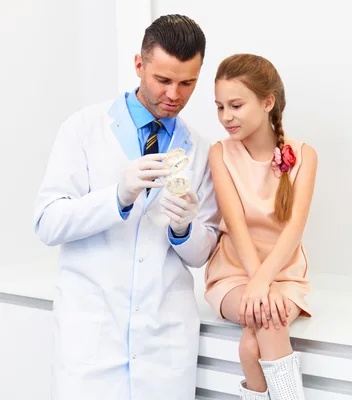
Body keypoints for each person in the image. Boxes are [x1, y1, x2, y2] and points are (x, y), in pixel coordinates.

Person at [33, 14, 220, 400]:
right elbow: (47, 223)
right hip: (92, 337)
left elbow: (203, 254)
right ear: (139, 64)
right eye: (163, 80)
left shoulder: (199, 149)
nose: (174, 94)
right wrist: (115, 197)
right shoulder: (83, 129)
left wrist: (185, 229)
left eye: (188, 83)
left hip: (163, 341)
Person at [205, 53, 318, 400]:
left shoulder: (305, 155)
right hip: (234, 275)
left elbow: (294, 230)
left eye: (236, 105)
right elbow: (237, 228)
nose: (227, 117)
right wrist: (256, 284)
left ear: (267, 102)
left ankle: (255, 383)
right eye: (220, 107)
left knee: (257, 336)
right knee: (268, 317)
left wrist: (265, 282)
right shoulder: (220, 153)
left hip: (284, 274)